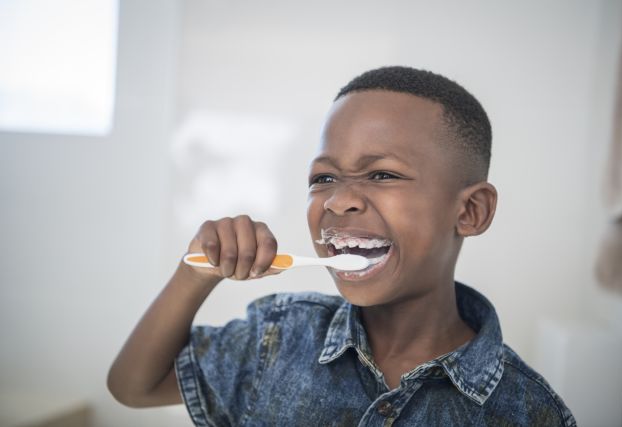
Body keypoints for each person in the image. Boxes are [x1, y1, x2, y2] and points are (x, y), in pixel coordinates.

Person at [108, 66, 576, 426]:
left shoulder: (529, 412)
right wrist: (197, 272)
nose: (338, 199)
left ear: (470, 212)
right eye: (324, 177)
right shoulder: (277, 337)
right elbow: (135, 386)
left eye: (382, 174)